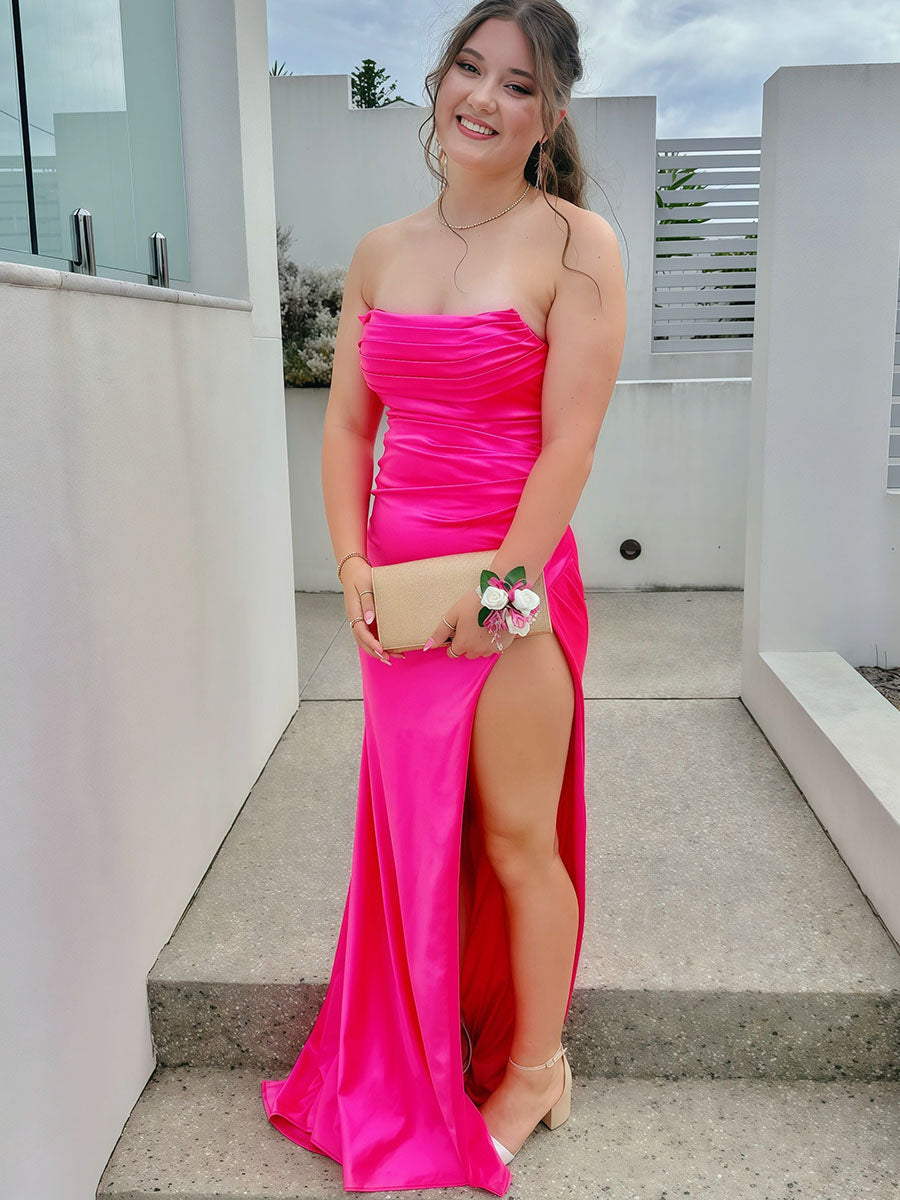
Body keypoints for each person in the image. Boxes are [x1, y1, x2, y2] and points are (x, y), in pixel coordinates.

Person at [261, 1, 626, 1193]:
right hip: (401, 594)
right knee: (417, 834)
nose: (483, 97)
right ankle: (423, 1044)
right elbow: (347, 427)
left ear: (549, 115)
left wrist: (507, 590)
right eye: (469, 67)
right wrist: (351, 568)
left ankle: (536, 1067)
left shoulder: (578, 244)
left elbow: (570, 446)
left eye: (517, 84)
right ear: (439, 81)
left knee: (517, 836)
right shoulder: (380, 252)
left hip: (514, 576)